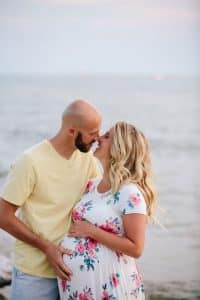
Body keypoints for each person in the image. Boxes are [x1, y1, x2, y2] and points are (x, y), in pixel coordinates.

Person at [0, 99, 102, 300]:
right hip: (34, 274)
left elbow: (96, 205)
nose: (97, 139)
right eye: (92, 133)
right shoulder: (30, 161)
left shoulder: (87, 159)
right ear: (72, 131)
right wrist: (47, 248)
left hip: (74, 271)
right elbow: (3, 216)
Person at [58, 121, 156, 300]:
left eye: (107, 136)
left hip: (110, 288)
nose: (98, 137)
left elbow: (136, 248)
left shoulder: (130, 193)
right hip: (77, 289)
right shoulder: (91, 185)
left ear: (119, 147)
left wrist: (91, 231)